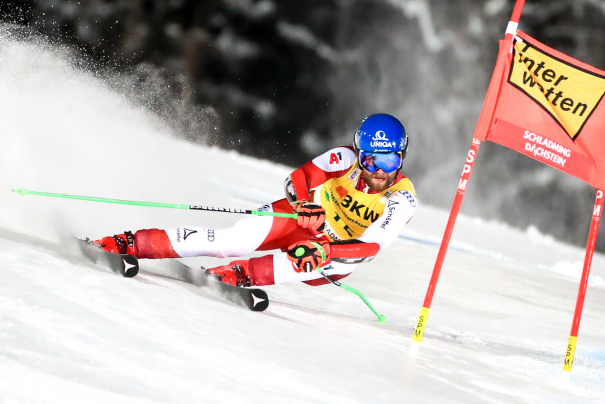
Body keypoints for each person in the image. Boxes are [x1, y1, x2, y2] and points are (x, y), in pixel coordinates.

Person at [92, 113, 418, 287]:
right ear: (360, 155)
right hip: (305, 222)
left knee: (314, 258)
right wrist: (305, 204)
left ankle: (242, 273)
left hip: (335, 254)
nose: (378, 170)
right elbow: (301, 178)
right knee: (231, 240)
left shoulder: (401, 198)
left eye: (389, 161)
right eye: (371, 160)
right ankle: (127, 242)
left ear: (400, 158)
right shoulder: (344, 158)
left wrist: (325, 248)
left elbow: (371, 247)